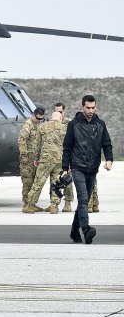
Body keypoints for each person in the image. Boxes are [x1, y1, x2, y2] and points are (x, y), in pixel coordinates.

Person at [62, 94, 113, 244]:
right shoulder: (74, 124)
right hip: (77, 166)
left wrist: (109, 159)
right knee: (83, 199)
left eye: (93, 107)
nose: (90, 110)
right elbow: (67, 147)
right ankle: (86, 229)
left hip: (93, 167)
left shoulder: (100, 124)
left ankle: (74, 231)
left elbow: (107, 144)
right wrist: (65, 168)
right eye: (87, 108)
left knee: (84, 201)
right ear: (82, 107)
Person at [24, 111, 66, 214]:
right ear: (60, 118)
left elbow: (37, 145)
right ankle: (54, 206)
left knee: (38, 182)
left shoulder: (42, 127)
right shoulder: (65, 128)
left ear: (51, 118)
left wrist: (36, 159)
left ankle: (30, 205)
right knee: (56, 182)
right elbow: (67, 145)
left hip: (45, 159)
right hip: (59, 159)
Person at [18, 107, 45, 209]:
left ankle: (32, 203)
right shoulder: (27, 125)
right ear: (34, 115)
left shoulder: (40, 125)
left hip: (36, 159)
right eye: (38, 118)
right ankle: (26, 203)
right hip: (28, 159)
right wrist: (24, 155)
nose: (39, 121)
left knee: (35, 182)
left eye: (41, 119)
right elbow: (22, 140)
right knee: (27, 181)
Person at [54, 103, 74, 212]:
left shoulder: (70, 123)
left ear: (64, 112)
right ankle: (55, 203)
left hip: (67, 154)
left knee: (67, 180)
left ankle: (68, 203)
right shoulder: (52, 123)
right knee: (55, 180)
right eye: (56, 112)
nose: (58, 114)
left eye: (60, 112)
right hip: (55, 156)